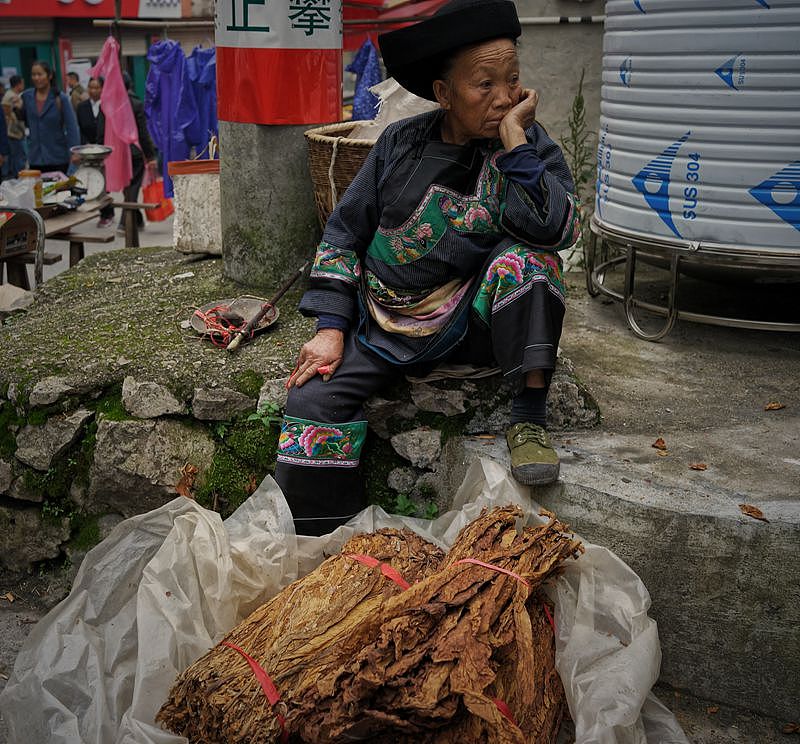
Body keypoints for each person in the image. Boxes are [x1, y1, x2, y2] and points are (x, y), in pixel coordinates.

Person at [274, 0, 579, 535]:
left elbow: (557, 228)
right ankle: (325, 542)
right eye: (484, 85)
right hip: (382, 319)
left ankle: (528, 413)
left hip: (466, 323)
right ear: (444, 94)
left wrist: (514, 142)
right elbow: (344, 232)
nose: (505, 97)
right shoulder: (400, 143)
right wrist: (329, 329)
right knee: (310, 401)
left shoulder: (529, 146)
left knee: (530, 263)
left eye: (512, 80)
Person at [102, 71, 156, 231]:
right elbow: (142, 133)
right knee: (131, 188)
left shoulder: (106, 103)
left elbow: (101, 131)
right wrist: (150, 155)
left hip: (114, 154)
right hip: (134, 153)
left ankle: (135, 220)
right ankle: (126, 222)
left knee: (128, 188)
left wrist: (101, 151)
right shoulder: (135, 104)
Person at [18, 60, 80, 174]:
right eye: (33, 75)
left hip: (57, 157)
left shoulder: (60, 98)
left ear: (49, 75)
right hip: (35, 158)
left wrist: (75, 152)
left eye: (40, 74)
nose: (36, 78)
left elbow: (72, 127)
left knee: (60, 191)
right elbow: (23, 121)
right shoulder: (27, 97)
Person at [76, 76, 115, 227]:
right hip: (88, 151)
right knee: (93, 182)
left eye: (97, 87)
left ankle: (107, 213)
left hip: (106, 150)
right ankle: (100, 211)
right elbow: (80, 128)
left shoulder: (108, 105)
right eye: (91, 87)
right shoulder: (82, 107)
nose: (93, 90)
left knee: (105, 183)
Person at [2, 75, 27, 180]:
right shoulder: (11, 96)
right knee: (19, 158)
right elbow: (7, 115)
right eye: (22, 83)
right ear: (18, 84)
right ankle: (19, 179)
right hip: (14, 132)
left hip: (16, 131)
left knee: (16, 157)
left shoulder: (12, 95)